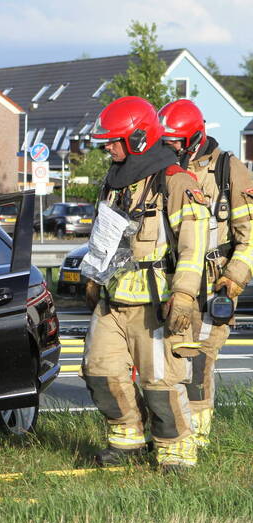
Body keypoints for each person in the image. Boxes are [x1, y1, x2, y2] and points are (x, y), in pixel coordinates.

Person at [81, 96, 211, 472]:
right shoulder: (112, 182)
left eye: (113, 139)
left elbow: (193, 242)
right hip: (112, 299)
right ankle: (128, 440)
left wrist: (184, 294)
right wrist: (93, 277)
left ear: (139, 138)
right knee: (99, 370)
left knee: (160, 381)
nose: (107, 146)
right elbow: (102, 235)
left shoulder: (174, 182)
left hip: (157, 303)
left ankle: (175, 450)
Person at [159, 98, 253, 448]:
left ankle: (196, 439)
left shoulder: (229, 170)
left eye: (174, 143)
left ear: (194, 138)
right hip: (171, 281)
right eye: (163, 143)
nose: (168, 149)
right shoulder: (163, 171)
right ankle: (167, 431)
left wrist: (233, 280)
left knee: (197, 363)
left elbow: (250, 237)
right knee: (164, 361)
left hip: (214, 284)